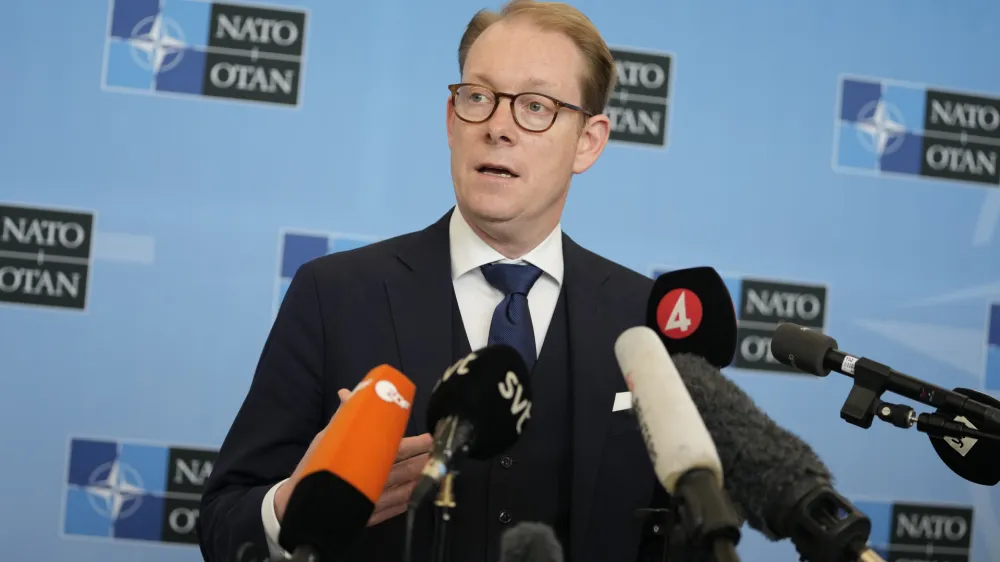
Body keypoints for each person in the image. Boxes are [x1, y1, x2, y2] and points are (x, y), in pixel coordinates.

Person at [198, 1, 674, 561]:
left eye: (535, 107)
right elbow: (223, 523)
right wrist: (291, 507)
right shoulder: (335, 295)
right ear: (452, 120)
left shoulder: (644, 320)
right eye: (478, 98)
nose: (498, 127)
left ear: (589, 142)